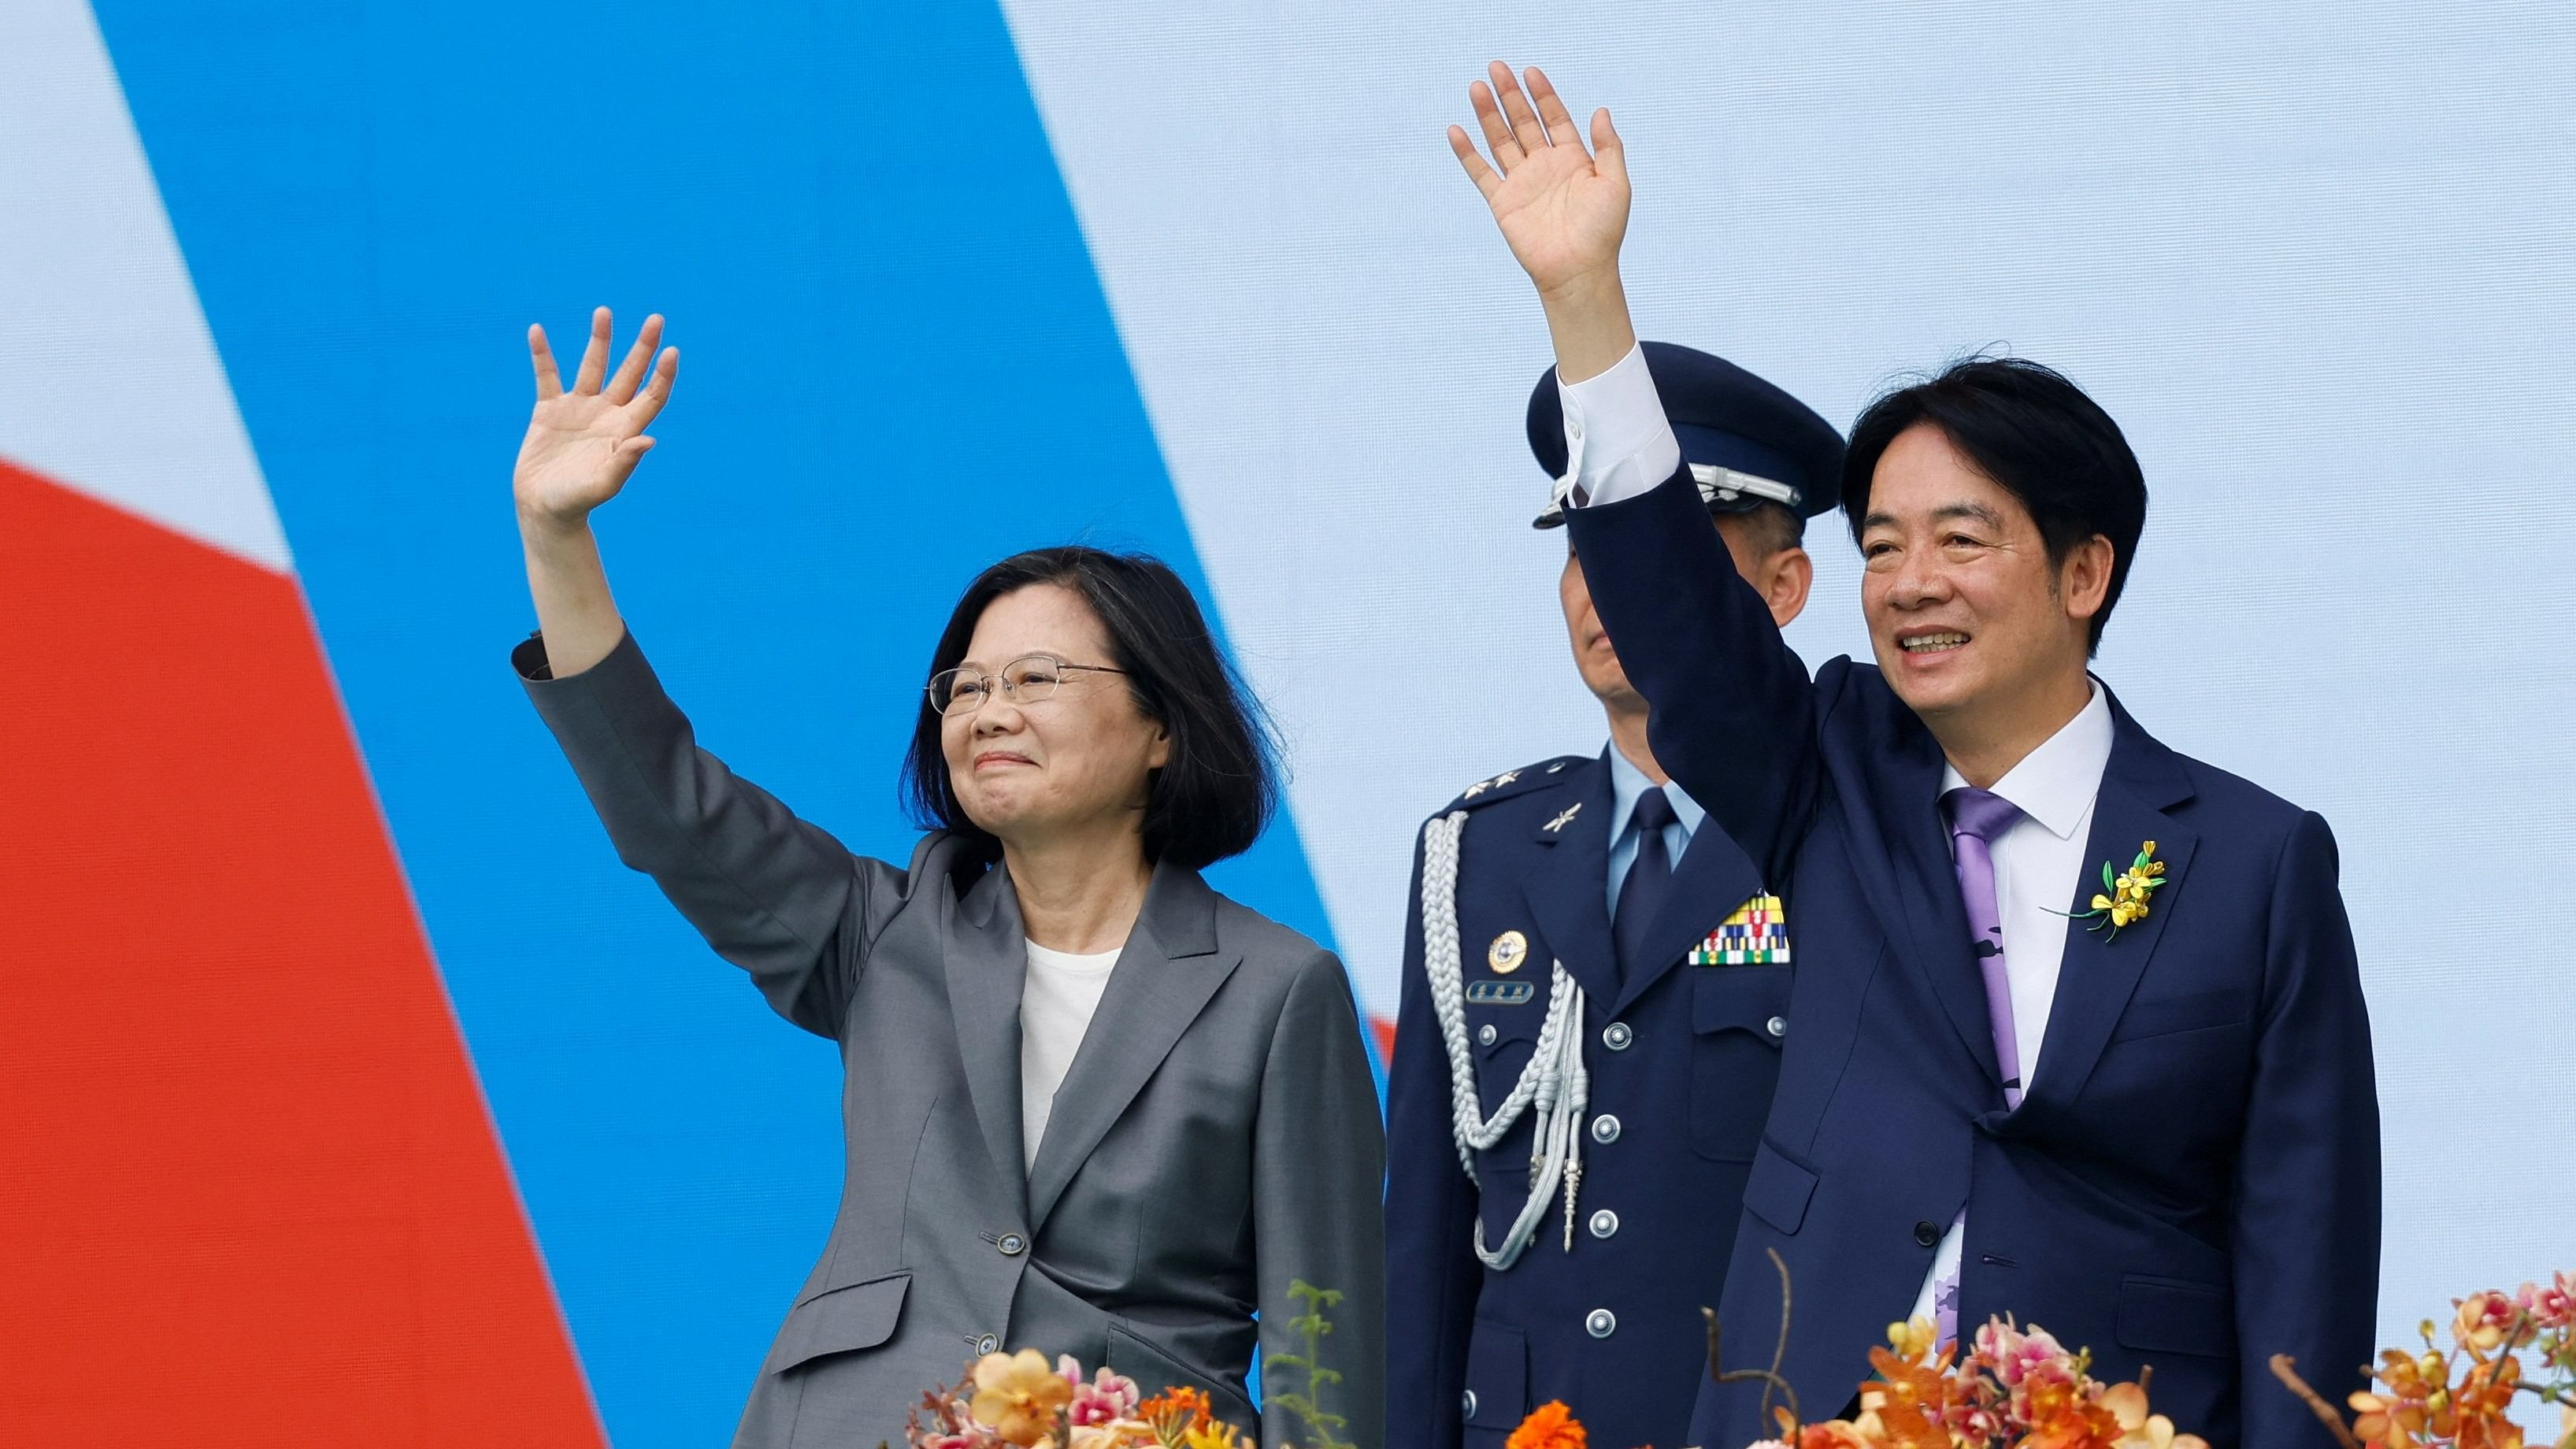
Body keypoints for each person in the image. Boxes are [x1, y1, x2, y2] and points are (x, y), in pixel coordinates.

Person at [1447, 62, 2380, 1449]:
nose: (1908, 584)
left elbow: (2302, 1242)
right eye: (1880, 547)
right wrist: (1585, 309)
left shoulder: (2252, 860)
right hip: (1803, 1416)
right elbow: (1679, 618)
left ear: (2083, 571)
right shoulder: (1830, 771)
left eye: (1961, 539)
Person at [505, 309, 1384, 1449]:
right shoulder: (882, 932)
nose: (989, 711)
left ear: (1162, 724)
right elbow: (669, 806)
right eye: (963, 689)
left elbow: (1330, 1338)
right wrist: (556, 537)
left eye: (1036, 678)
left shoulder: (1276, 990)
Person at [1383, 344, 1840, 1449]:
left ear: (1782, 589)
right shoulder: (1479, 848)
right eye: (1584, 549)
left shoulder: (1843, 829)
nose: (1608, 585)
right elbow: (1430, 1247)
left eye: (1659, 551)